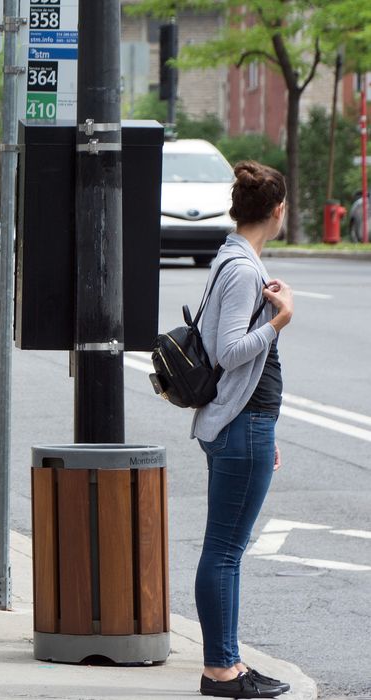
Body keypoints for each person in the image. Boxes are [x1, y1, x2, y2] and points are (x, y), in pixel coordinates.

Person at [192, 161, 294, 700]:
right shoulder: (241, 270)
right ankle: (221, 671)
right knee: (225, 550)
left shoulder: (235, 258)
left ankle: (226, 664)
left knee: (226, 548)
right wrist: (279, 320)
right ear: (277, 210)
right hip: (240, 423)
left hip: (246, 424)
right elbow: (230, 352)